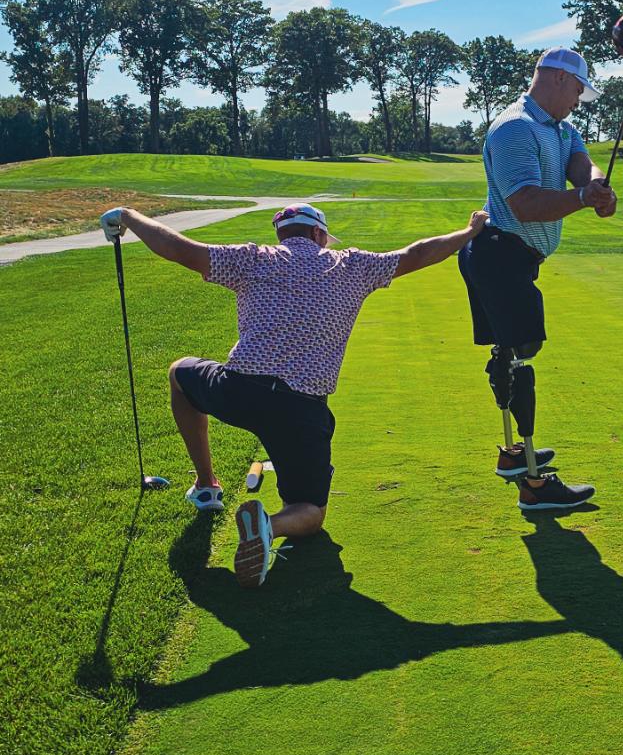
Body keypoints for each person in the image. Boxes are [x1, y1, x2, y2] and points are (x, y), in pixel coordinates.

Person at [99, 201, 487, 587]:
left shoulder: (252, 259)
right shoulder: (352, 265)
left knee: (180, 374)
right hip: (301, 409)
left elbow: (179, 249)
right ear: (319, 233)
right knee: (310, 511)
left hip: (239, 390)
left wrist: (129, 216)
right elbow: (416, 254)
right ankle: (269, 525)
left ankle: (206, 488)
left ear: (281, 233)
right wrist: (468, 232)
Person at [457, 47, 617, 514]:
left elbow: (581, 163)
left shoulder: (560, 128)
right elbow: (526, 204)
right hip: (498, 254)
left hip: (514, 257)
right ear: (558, 79)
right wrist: (583, 199)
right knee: (524, 352)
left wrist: (596, 185)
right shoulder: (515, 128)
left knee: (509, 352)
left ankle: (513, 455)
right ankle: (533, 483)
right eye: (577, 91)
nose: (578, 101)